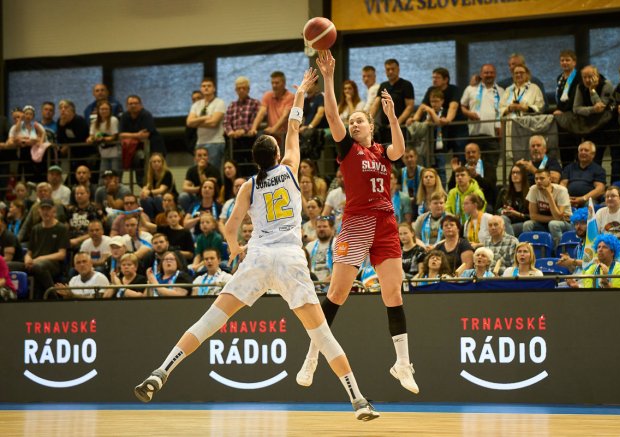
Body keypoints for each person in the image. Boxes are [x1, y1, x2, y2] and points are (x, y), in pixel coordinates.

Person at [134, 68, 380, 421]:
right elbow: (294, 126)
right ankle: (358, 400)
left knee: (208, 322)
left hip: (259, 256)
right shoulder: (291, 168)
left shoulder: (248, 186)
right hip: (290, 258)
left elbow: (229, 226)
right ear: (276, 153)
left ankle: (162, 371)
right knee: (323, 335)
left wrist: (235, 249)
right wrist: (300, 95)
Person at [296, 51, 418, 396]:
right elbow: (333, 113)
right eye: (352, 123)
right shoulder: (349, 150)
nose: (354, 125)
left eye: (360, 122)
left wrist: (393, 117)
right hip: (356, 223)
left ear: (371, 126)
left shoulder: (381, 151)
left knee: (393, 293)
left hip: (386, 223)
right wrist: (329, 79)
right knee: (337, 294)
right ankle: (312, 356)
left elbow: (399, 149)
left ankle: (402, 364)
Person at [460, 63, 503, 169]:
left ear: (495, 74)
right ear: (481, 74)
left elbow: (503, 112)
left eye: (491, 72)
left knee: (491, 168)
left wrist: (501, 127)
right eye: (486, 72)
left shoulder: (501, 91)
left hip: (492, 136)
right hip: (475, 135)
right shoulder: (470, 89)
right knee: (474, 167)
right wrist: (469, 113)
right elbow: (462, 106)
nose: (489, 75)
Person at [500, 64, 545, 162]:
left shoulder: (534, 88)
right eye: (516, 73)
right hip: (511, 126)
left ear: (527, 74)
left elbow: (540, 106)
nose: (518, 75)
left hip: (527, 125)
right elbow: (500, 108)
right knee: (514, 157)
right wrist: (509, 108)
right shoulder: (508, 90)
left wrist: (524, 107)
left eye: (521, 72)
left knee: (529, 154)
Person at [369, 58, 414, 144]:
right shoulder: (383, 85)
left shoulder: (406, 85)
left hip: (400, 127)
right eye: (388, 69)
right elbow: (376, 104)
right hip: (384, 127)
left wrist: (397, 122)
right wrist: (368, 119)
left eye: (393, 69)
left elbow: (410, 106)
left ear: (398, 69)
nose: (390, 71)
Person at [523, 168, 572, 247]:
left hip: (566, 222)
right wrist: (554, 218)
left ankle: (559, 251)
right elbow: (533, 216)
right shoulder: (533, 189)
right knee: (527, 224)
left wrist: (549, 195)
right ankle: (529, 251)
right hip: (547, 221)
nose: (538, 181)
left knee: (553, 224)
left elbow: (558, 216)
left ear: (549, 179)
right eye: (536, 179)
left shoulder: (561, 191)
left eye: (542, 178)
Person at [186, 78, 226, 171]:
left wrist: (196, 122)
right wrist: (204, 118)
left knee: (213, 172)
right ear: (201, 89)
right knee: (199, 172)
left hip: (215, 142)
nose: (206, 88)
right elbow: (189, 122)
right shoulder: (196, 105)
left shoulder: (219, 102)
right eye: (204, 86)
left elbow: (213, 123)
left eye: (209, 86)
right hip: (200, 143)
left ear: (214, 89)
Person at [224, 76, 260, 174]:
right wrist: (230, 132)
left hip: (249, 140)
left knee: (252, 167)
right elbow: (226, 122)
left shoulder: (255, 103)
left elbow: (255, 121)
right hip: (234, 142)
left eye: (244, 88)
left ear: (248, 89)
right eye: (239, 88)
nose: (241, 90)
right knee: (236, 168)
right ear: (236, 90)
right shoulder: (232, 105)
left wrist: (243, 130)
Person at [251, 71, 294, 147]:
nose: (274, 85)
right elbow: (261, 113)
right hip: (272, 135)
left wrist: (274, 129)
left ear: (284, 83)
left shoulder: (290, 97)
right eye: (272, 83)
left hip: (286, 135)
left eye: (277, 83)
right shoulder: (267, 95)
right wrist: (253, 128)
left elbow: (285, 116)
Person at [560, 141, 606, 208]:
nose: (583, 152)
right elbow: (562, 184)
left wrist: (583, 198)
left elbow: (600, 189)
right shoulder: (569, 167)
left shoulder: (598, 170)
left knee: (590, 205)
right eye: (581, 150)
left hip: (587, 200)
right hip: (569, 199)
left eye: (586, 150)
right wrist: (567, 198)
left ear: (593, 154)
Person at [179, 146, 222, 213]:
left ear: (208, 157)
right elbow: (185, 188)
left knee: (207, 192)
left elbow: (208, 186)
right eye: (199, 155)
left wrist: (201, 171)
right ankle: (190, 214)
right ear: (195, 158)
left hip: (212, 197)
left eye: (205, 155)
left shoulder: (214, 170)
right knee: (183, 196)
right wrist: (200, 189)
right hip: (198, 197)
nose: (202, 157)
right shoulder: (191, 170)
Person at [88, 100, 121, 178]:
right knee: (103, 176)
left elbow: (114, 136)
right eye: (102, 109)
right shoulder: (94, 122)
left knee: (115, 175)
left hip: (115, 153)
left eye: (106, 109)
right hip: (103, 153)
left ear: (110, 110)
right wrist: (90, 139)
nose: (104, 111)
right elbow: (92, 135)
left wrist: (103, 139)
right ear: (98, 110)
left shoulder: (113, 120)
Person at [140, 153, 177, 220]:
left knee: (158, 198)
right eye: (154, 162)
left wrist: (149, 192)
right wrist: (143, 192)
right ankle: (150, 220)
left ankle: (163, 219)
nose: (156, 163)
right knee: (144, 199)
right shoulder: (150, 175)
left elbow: (161, 190)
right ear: (151, 164)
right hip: (156, 197)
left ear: (162, 163)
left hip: (168, 197)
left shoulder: (167, 173)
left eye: (158, 161)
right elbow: (146, 187)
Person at [496, 164, 530, 237]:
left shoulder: (530, 192)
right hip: (507, 221)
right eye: (513, 172)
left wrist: (516, 213)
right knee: (503, 219)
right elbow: (496, 210)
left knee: (503, 229)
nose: (514, 175)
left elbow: (531, 216)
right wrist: (503, 211)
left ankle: (511, 244)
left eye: (518, 173)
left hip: (523, 223)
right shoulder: (504, 192)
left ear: (523, 175)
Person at [305, 215, 336, 284]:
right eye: (319, 227)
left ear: (332, 229)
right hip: (313, 284)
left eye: (325, 226)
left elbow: (341, 269)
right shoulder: (309, 246)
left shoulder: (337, 244)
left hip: (331, 283)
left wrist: (324, 282)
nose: (321, 229)